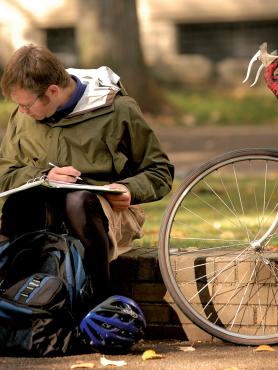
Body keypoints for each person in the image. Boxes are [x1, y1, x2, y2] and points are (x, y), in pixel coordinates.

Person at [0, 44, 174, 305]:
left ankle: (99, 304)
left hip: (106, 211)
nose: (22, 112)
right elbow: (5, 170)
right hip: (43, 211)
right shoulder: (23, 117)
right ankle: (20, 308)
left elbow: (160, 171)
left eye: (26, 105)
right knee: (19, 203)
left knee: (77, 201)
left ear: (53, 91)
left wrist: (129, 189)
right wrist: (45, 175)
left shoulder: (119, 110)